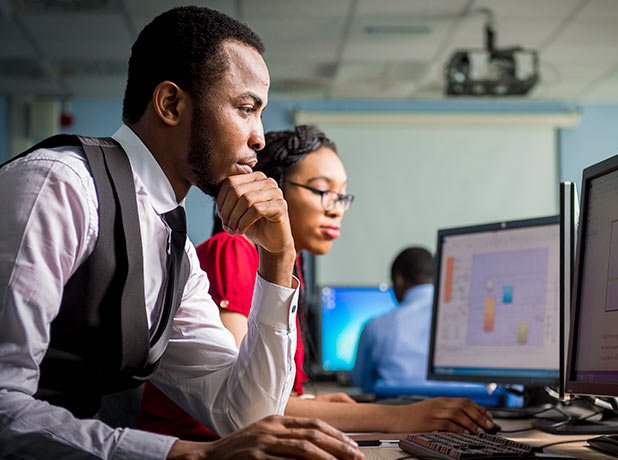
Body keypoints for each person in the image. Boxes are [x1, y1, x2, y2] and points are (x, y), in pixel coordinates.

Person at [0, 6, 363, 460]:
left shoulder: (174, 248)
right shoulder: (59, 186)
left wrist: (277, 260)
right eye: (246, 109)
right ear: (171, 104)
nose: (260, 139)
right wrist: (187, 454)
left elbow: (246, 416)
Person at [139, 126, 497, 436]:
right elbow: (244, 399)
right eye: (322, 190)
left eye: (342, 196)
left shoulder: (290, 270)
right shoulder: (231, 250)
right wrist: (396, 416)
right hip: (203, 446)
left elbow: (272, 395)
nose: (336, 207)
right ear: (271, 189)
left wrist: (309, 402)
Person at [351, 247, 435, 392]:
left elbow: (360, 381)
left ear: (398, 279)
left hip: (397, 410)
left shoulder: (375, 327)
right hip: (462, 410)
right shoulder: (464, 321)